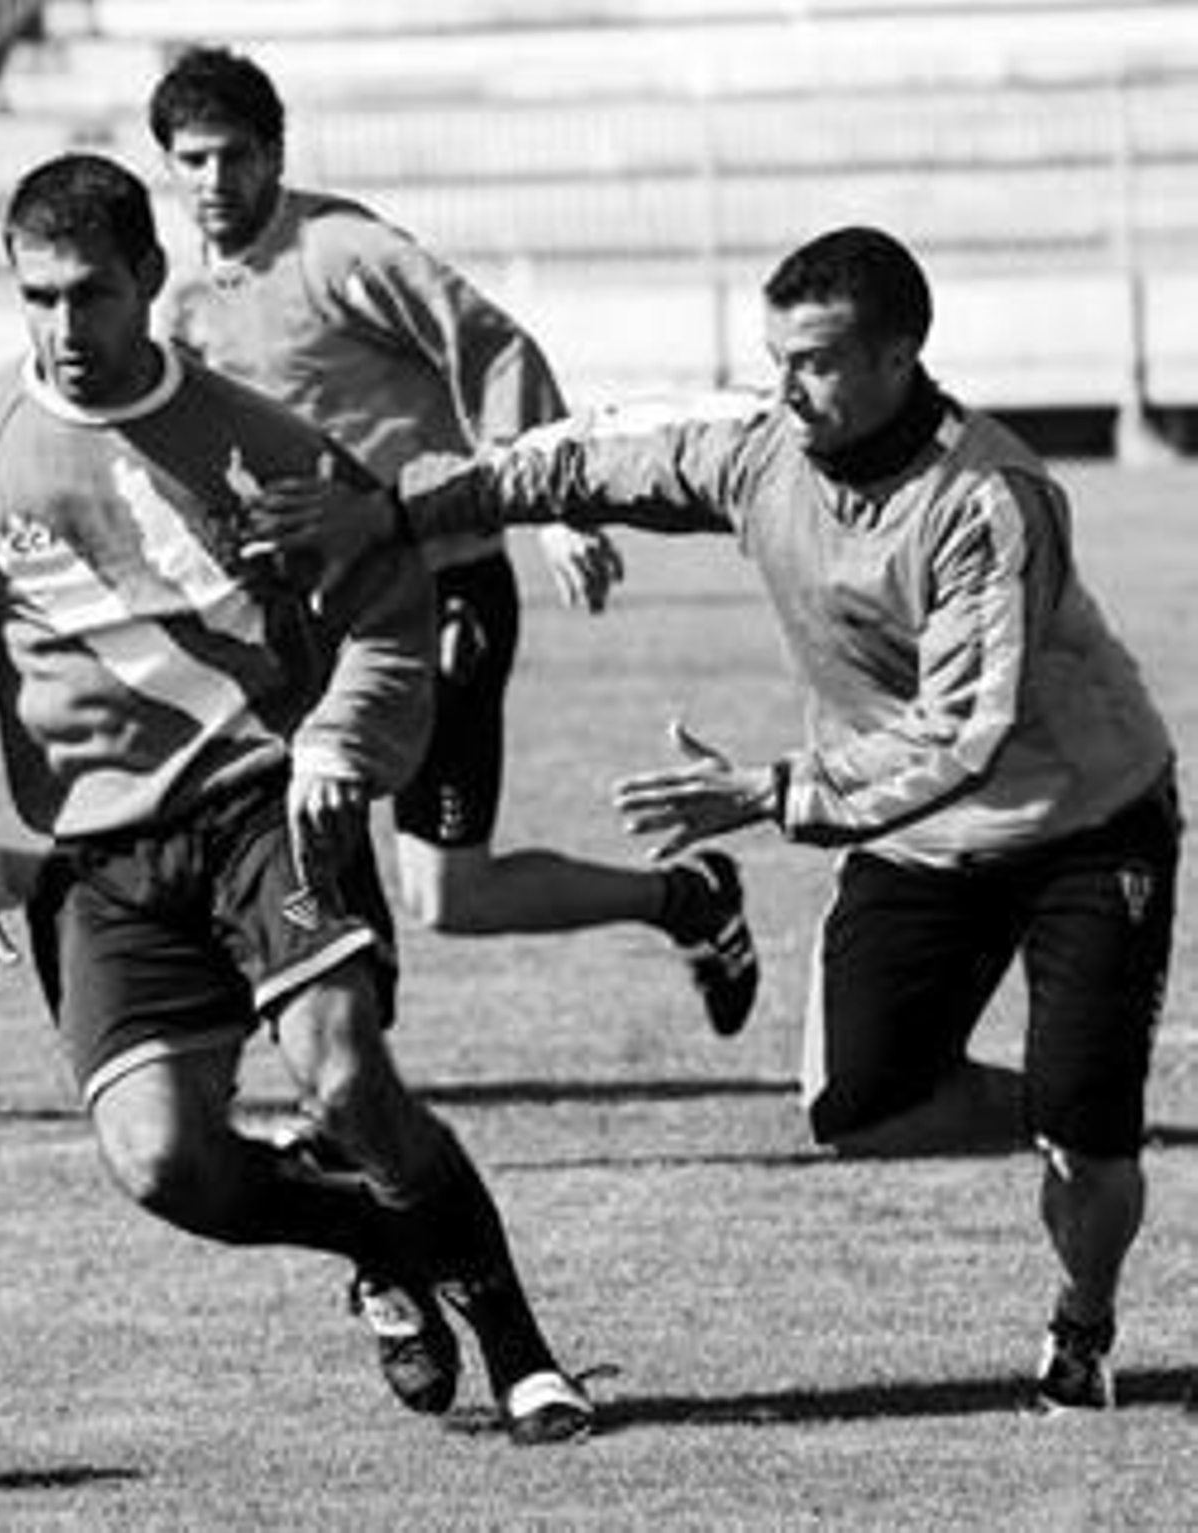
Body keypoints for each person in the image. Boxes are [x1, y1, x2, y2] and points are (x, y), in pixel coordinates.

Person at [246, 225, 1181, 1415]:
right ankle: (1066, 1107)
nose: (788, 386)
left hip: (1083, 824)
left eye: (818, 361)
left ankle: (1082, 1315)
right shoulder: (760, 448)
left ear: (901, 355)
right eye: (776, 357)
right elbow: (571, 460)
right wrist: (387, 514)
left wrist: (773, 792)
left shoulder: (989, 499)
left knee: (1093, 1145)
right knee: (857, 1111)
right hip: (913, 838)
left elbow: (963, 734)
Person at [0, 151, 593, 1445]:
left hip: (268, 803)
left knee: (344, 1076)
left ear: (150, 278)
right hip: (104, 859)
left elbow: (389, 609)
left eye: (91, 293)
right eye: (38, 295)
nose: (64, 325)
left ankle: (523, 1354)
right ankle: (373, 1237)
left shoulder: (259, 443)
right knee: (163, 1163)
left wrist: (341, 741)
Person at [146, 46, 758, 1038]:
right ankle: (345, 1051)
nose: (216, 179)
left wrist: (553, 506)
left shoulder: (341, 253)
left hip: (444, 588)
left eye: (236, 156)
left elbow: (494, 349)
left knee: (449, 891)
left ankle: (686, 899)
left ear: (274, 154)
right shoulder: (185, 306)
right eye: (193, 159)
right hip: (317, 621)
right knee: (322, 828)